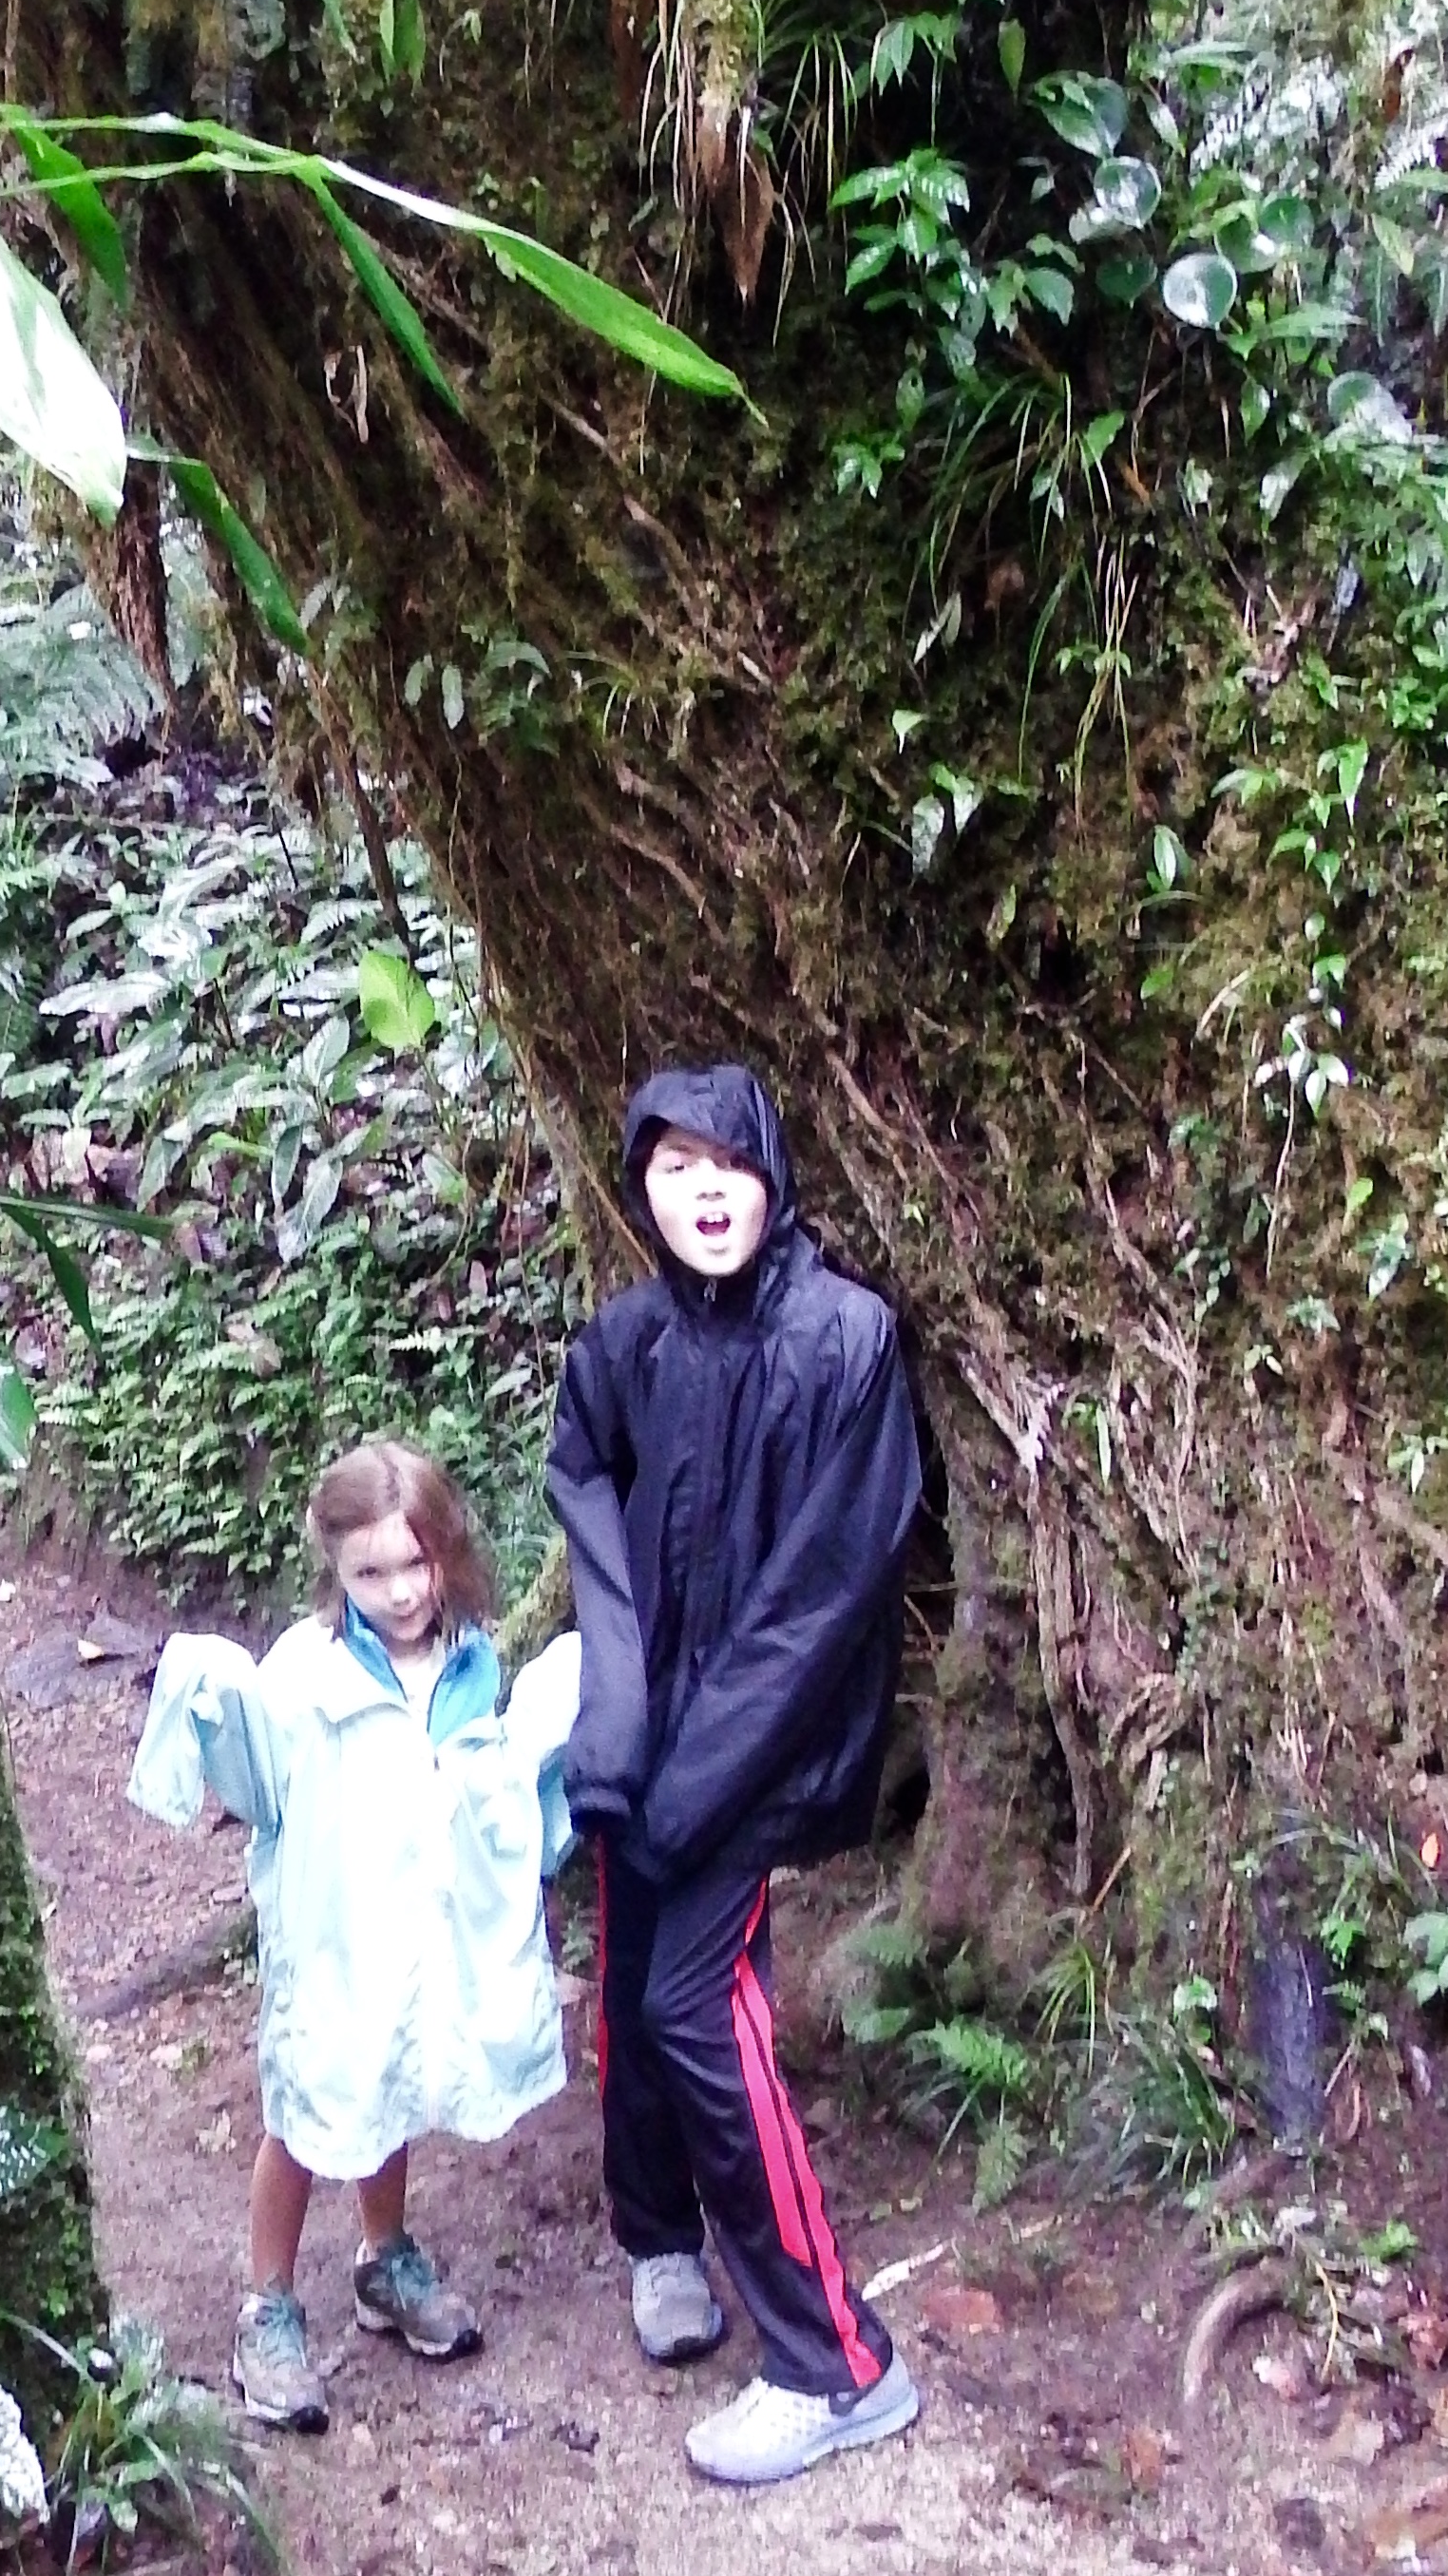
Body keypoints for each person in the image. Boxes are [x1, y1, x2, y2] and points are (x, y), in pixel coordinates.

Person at [546, 1063, 925, 2487]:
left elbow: (825, 1590)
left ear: (770, 1173)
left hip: (750, 1754)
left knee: (696, 2006)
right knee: (630, 1982)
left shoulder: (843, 1340)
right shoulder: (627, 1343)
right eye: (672, 1166)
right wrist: (618, 1720)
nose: (703, 1191)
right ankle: (658, 2238)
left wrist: (694, 1768)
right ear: (640, 1188)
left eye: (727, 1164)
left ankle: (834, 2360)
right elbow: (583, 1478)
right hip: (643, 1743)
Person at [127, 1436, 581, 2434]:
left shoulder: (467, 1661)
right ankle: (267, 2307)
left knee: (395, 2084)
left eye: (415, 1562)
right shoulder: (307, 1672)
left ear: (444, 1548)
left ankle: (384, 2258)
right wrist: (212, 1693)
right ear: (332, 1564)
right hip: (334, 1937)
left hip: (415, 1935)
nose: (400, 1590)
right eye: (370, 1572)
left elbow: (482, 1782)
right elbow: (262, 1784)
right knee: (306, 2110)